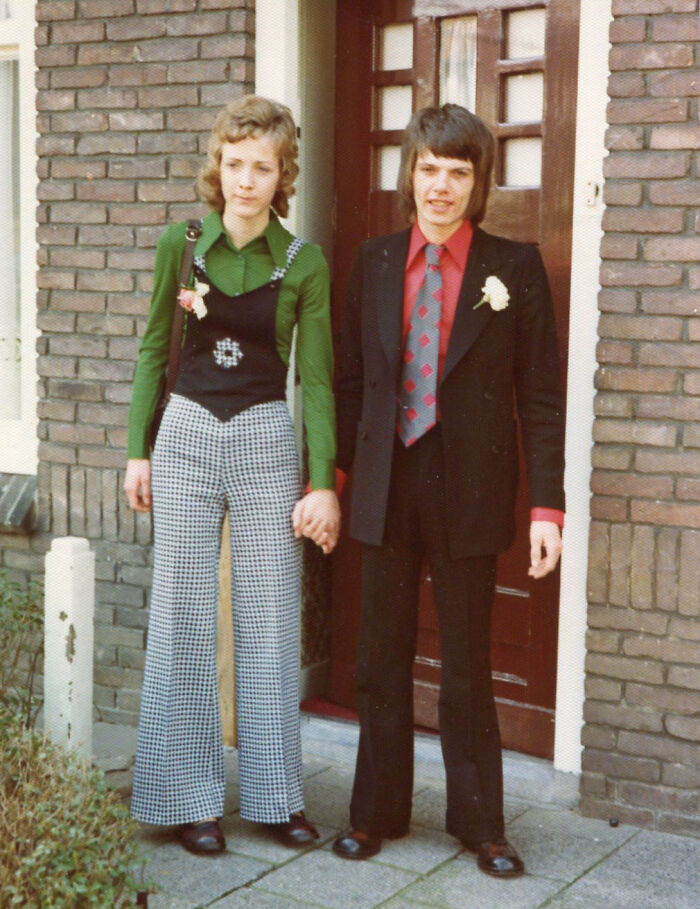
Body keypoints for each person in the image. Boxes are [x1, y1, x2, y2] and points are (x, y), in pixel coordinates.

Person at [331, 104, 565, 878]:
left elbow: (541, 397)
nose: (440, 186)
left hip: (469, 488)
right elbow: (350, 381)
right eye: (428, 169)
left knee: (467, 664)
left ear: (478, 182)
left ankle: (481, 825)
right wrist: (331, 483)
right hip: (385, 483)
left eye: (457, 172)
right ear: (410, 174)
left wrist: (547, 507)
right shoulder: (371, 261)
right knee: (379, 656)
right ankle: (374, 813)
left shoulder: (515, 268)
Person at [124, 95, 340, 855]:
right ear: (219, 165)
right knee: (183, 612)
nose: (246, 179)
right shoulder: (179, 245)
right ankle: (189, 798)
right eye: (236, 162)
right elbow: (156, 348)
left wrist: (320, 480)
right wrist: (137, 449)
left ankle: (276, 797)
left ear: (283, 175)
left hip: (261, 439)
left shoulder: (300, 260)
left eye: (263, 166)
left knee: (268, 614)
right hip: (183, 433)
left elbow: (315, 379)